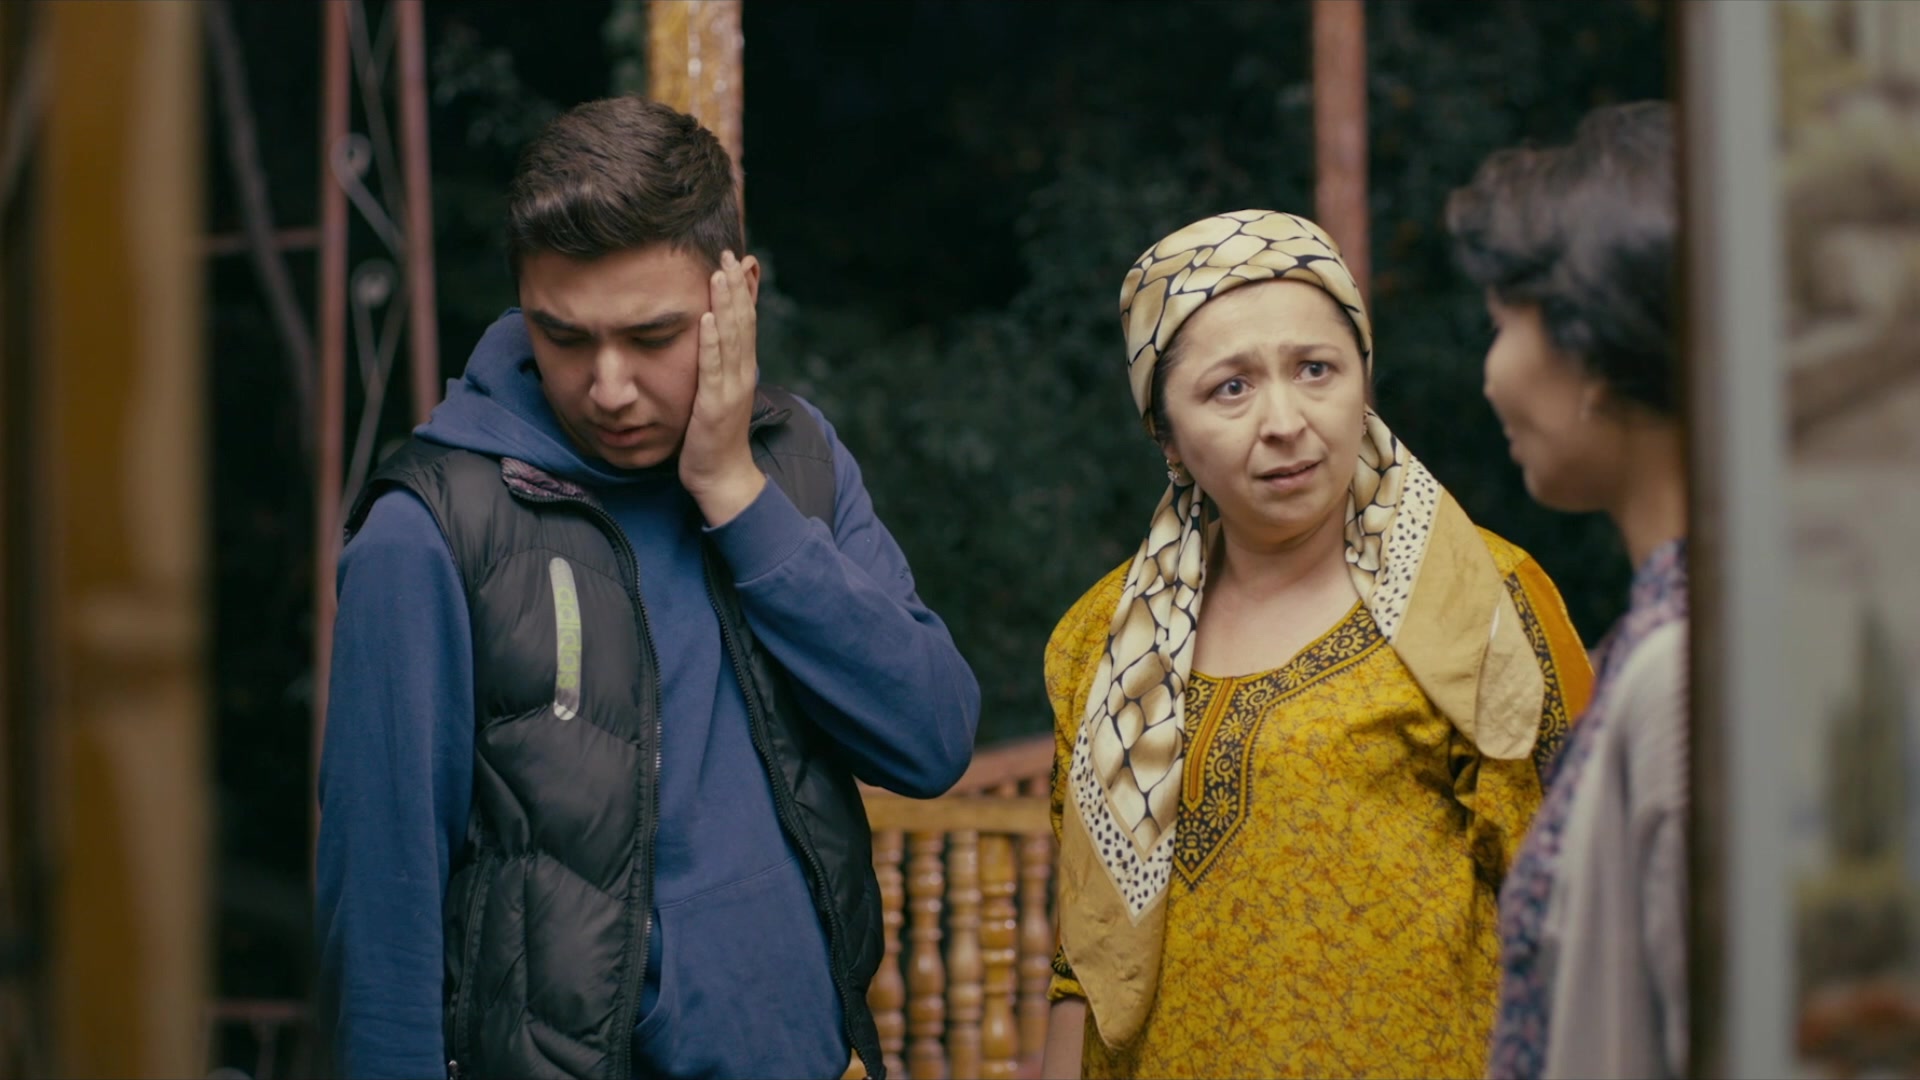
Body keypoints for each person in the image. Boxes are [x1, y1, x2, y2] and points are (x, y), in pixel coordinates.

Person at [314, 96, 980, 1080]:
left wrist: (735, 495)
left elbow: (930, 739)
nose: (610, 387)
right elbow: (380, 924)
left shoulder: (795, 460)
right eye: (565, 337)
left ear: (737, 296)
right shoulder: (426, 533)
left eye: (653, 336)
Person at [1038, 210, 1594, 1079]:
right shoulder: (1104, 643)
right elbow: (1084, 955)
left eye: (1315, 369)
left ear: (1362, 378)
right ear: (1167, 434)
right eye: (1230, 388)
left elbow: (1586, 912)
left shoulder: (1481, 601)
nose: (1285, 420)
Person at [1449, 100, 1689, 1080]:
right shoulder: (1674, 635)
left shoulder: (1686, 676)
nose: (1489, 375)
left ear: (1589, 351)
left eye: (1503, 324)